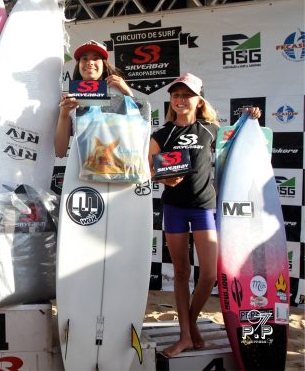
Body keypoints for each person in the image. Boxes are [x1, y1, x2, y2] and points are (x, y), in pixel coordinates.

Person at [148, 73, 261, 357]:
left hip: (204, 207)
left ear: (199, 101)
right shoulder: (161, 134)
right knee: (182, 272)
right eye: (176, 95)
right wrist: (162, 179)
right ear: (171, 101)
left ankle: (192, 323)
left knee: (209, 274)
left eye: (187, 95)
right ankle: (186, 335)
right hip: (174, 208)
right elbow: (145, 170)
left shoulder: (211, 129)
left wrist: (250, 117)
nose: (180, 99)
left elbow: (239, 147)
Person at [55, 40, 135, 157]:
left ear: (104, 64)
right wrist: (64, 115)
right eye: (84, 59)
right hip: (82, 169)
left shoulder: (118, 92)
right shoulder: (70, 99)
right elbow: (60, 152)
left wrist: (127, 92)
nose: (90, 62)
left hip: (117, 166)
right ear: (79, 65)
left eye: (96, 58)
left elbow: (136, 128)